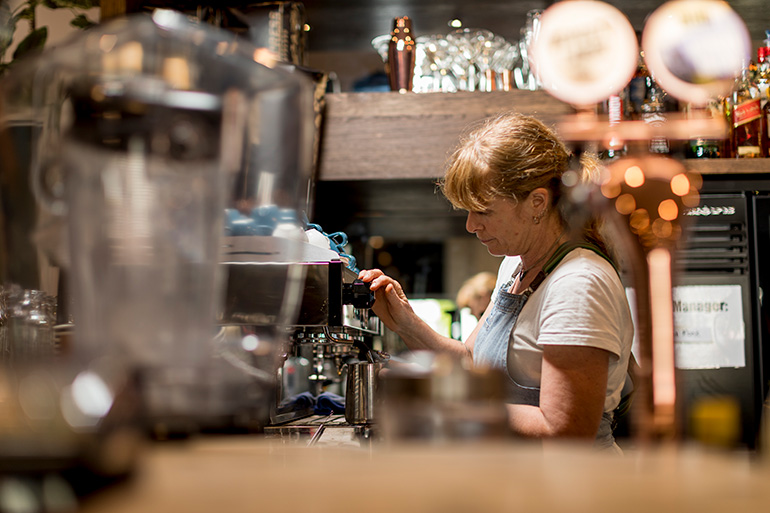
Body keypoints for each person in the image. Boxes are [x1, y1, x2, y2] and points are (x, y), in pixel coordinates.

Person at [359, 112, 633, 452]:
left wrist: (446, 399)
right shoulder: (514, 267)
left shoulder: (578, 284)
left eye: (483, 211)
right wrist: (406, 322)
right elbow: (472, 362)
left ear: (537, 202)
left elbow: (565, 428)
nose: (471, 226)